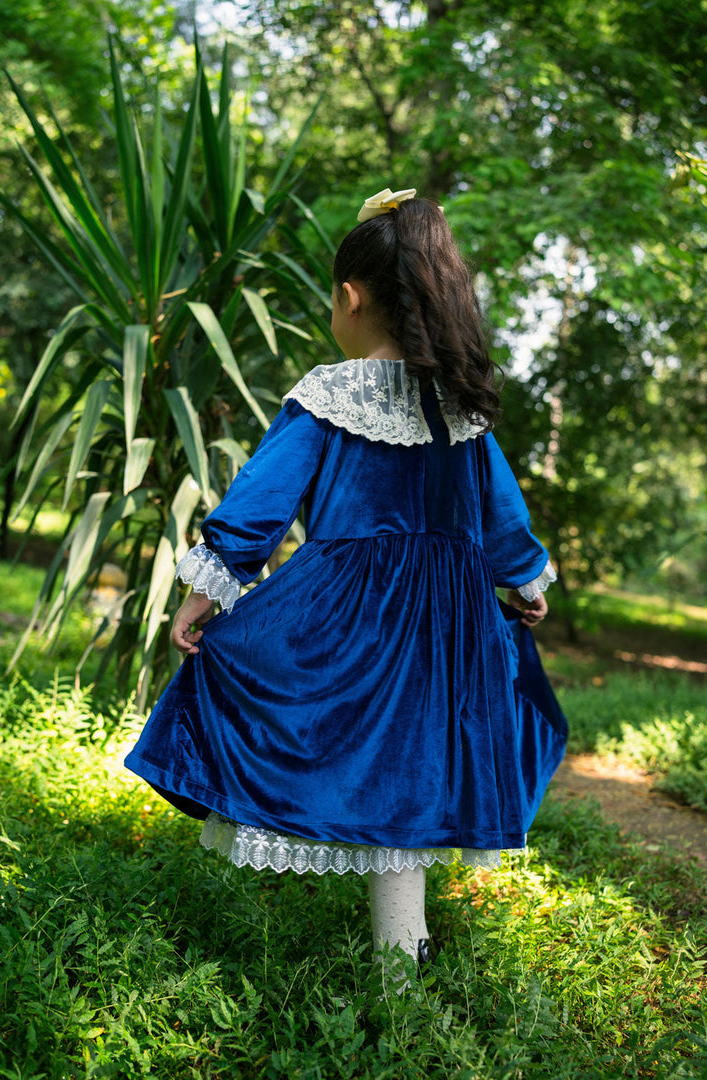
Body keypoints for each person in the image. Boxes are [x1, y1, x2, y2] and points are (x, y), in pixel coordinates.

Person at [124, 187, 567, 978]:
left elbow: (262, 502)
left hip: (350, 615)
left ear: (350, 297)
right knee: (415, 763)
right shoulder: (460, 407)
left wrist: (204, 595)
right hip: (447, 624)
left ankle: (401, 961)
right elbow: (501, 514)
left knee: (341, 742)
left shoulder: (329, 393)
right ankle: (403, 959)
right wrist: (525, 584)